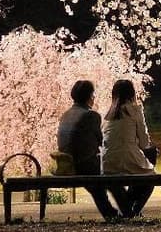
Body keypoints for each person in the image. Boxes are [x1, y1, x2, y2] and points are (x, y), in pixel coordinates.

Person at [56, 80, 121, 221]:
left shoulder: (66, 114)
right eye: (93, 94)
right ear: (90, 96)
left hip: (68, 163)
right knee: (112, 176)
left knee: (101, 186)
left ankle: (114, 214)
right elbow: (101, 141)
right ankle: (125, 212)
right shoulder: (90, 115)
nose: (94, 97)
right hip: (83, 164)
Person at [102, 79, 155, 218]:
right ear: (132, 93)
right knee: (151, 178)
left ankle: (128, 212)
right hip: (129, 157)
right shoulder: (135, 110)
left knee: (128, 178)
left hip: (108, 161)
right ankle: (133, 211)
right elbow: (144, 143)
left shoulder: (107, 114)